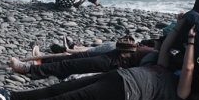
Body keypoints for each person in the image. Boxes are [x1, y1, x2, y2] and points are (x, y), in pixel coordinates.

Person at [0, 16, 199, 100]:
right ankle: (10, 95)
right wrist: (180, 25)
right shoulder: (161, 65)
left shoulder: (180, 90)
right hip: (119, 76)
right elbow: (165, 49)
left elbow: (188, 69)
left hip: (124, 93)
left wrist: (190, 45)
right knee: (56, 89)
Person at [10, 36, 154, 80]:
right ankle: (44, 61)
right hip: (123, 53)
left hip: (121, 63)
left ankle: (31, 69)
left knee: (74, 65)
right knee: (80, 56)